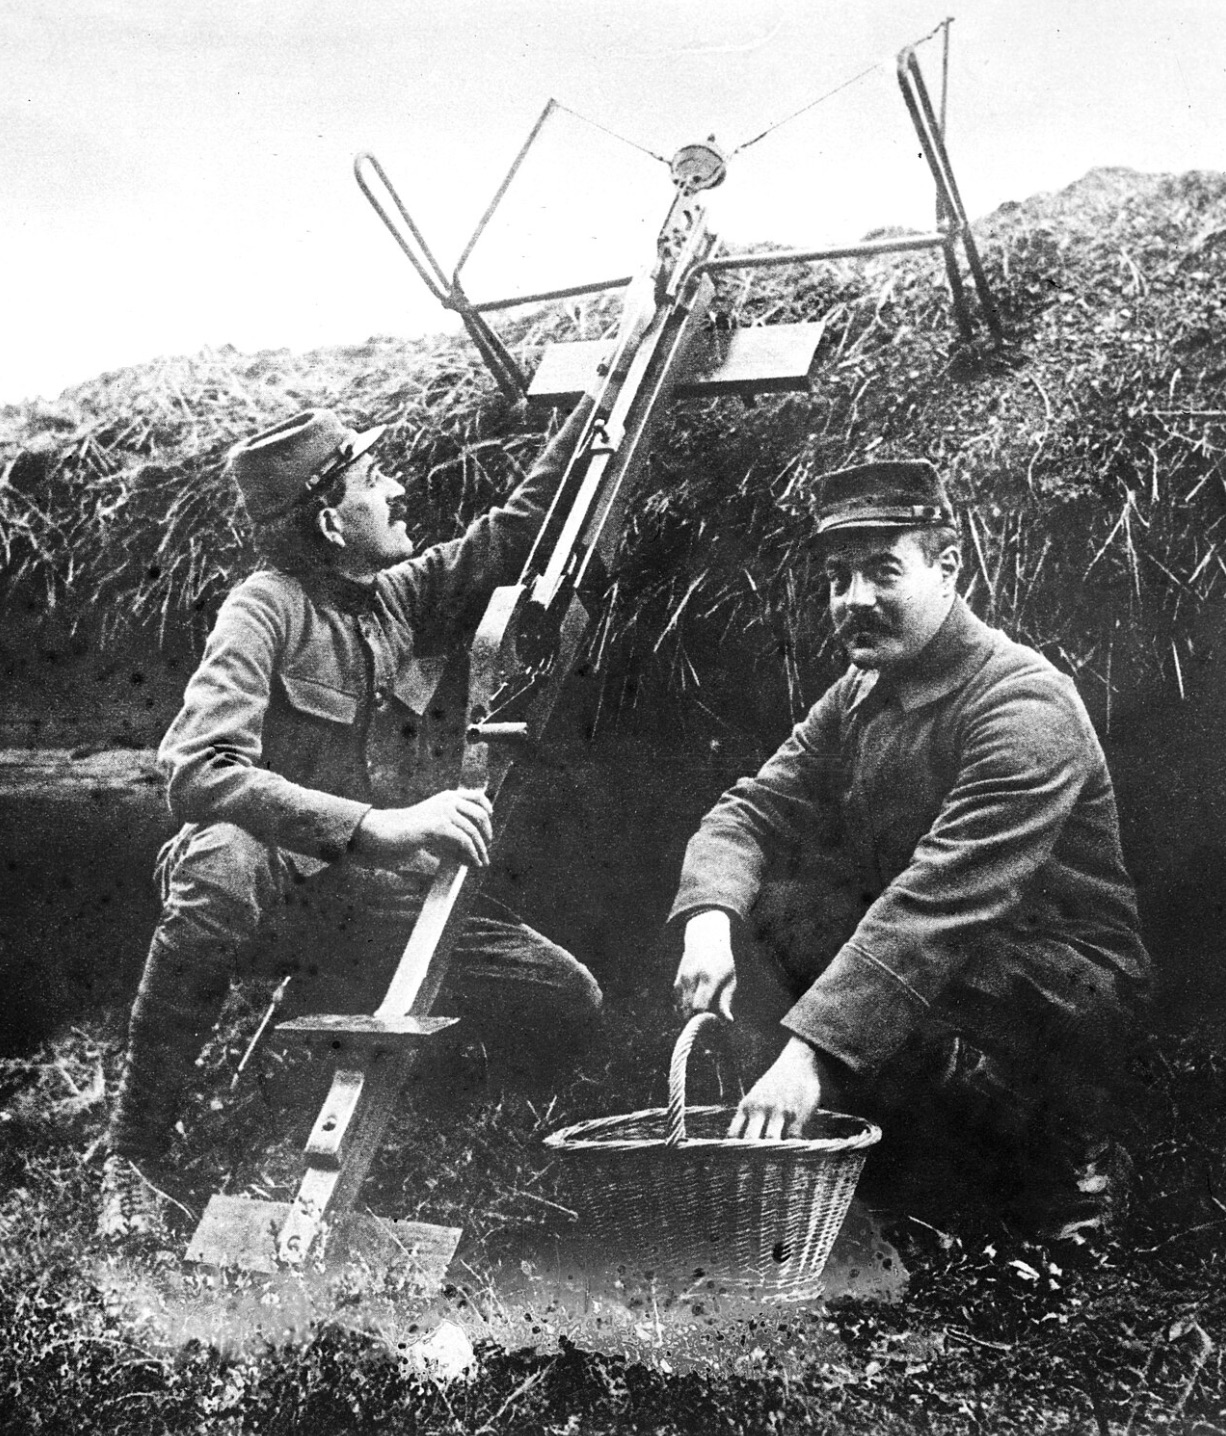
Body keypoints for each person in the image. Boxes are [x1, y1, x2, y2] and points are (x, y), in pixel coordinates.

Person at [99, 396, 603, 1241]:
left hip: (366, 901)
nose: (398, 491)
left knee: (565, 996)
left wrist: (597, 392)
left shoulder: (392, 596)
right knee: (217, 859)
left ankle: (461, 1143)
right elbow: (198, 768)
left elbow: (512, 529)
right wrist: (380, 826)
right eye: (376, 480)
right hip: (275, 895)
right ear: (332, 521)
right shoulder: (261, 609)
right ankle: (135, 1160)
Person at [670, 458, 1151, 1244]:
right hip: (937, 956)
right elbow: (752, 810)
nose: (854, 600)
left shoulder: (1022, 704)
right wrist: (709, 918)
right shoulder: (861, 692)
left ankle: (1068, 1158)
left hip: (1055, 982)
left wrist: (810, 1053)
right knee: (778, 909)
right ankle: (906, 1152)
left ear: (948, 567)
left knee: (898, 970)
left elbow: (938, 903)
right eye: (838, 577)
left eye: (883, 572)